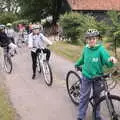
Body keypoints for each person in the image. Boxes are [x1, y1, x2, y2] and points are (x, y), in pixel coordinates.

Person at [75, 29, 117, 120]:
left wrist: (111, 60)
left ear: (96, 39)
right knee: (84, 97)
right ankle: (81, 115)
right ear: (86, 40)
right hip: (86, 76)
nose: (91, 40)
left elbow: (107, 60)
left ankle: (96, 115)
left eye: (93, 38)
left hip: (98, 77)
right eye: (89, 39)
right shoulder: (86, 49)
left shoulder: (100, 49)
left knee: (97, 97)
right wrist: (77, 64)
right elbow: (82, 59)